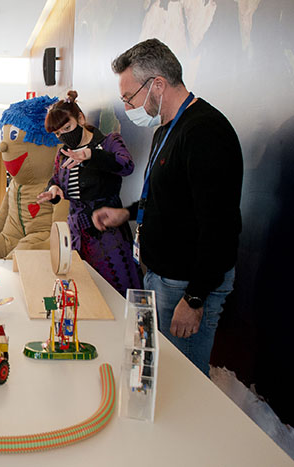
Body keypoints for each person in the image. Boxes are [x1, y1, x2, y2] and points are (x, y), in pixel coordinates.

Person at [92, 39, 243, 376]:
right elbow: (166, 197)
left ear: (157, 84)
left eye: (129, 97)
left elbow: (220, 226)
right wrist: (126, 214)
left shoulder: (205, 132)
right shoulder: (165, 129)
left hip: (186, 285)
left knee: (182, 380)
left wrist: (194, 299)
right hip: (160, 275)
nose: (129, 106)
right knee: (158, 375)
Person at [38, 90, 141, 296]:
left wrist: (90, 155)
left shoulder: (109, 141)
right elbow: (57, 180)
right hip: (75, 234)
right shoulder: (62, 152)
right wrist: (53, 190)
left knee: (116, 292)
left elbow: (126, 165)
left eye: (67, 128)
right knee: (80, 293)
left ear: (80, 118)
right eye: (58, 134)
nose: (64, 136)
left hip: (108, 233)